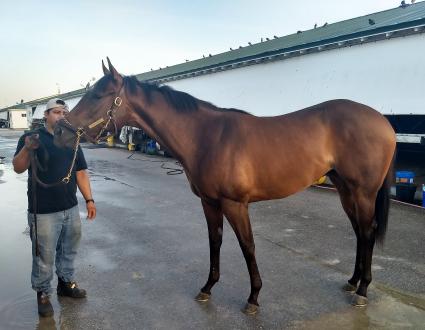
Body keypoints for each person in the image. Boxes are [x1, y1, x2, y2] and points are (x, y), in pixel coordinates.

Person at [13, 98, 96, 317]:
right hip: (43, 211)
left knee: (69, 250)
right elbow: (18, 168)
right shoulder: (31, 138)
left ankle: (66, 284)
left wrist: (89, 200)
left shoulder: (72, 139)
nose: (61, 116)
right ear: (46, 115)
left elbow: (80, 172)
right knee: (44, 256)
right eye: (56, 112)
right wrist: (27, 150)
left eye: (64, 112)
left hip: (70, 207)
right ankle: (43, 294)